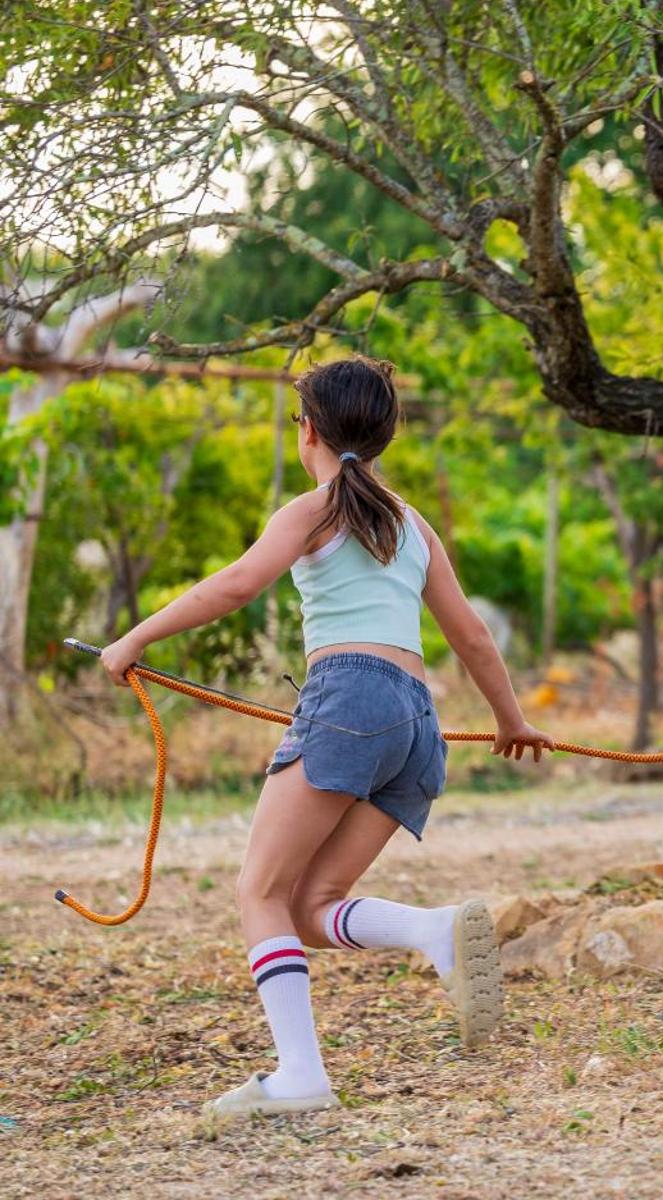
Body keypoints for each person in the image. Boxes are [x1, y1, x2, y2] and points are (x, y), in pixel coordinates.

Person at [101, 356, 554, 1118]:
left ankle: (301, 1077)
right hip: (418, 724)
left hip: (349, 699)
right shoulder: (412, 524)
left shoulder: (311, 511)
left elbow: (237, 585)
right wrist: (512, 719)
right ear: (384, 436)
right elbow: (471, 635)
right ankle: (433, 930)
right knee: (311, 906)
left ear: (307, 429)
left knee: (259, 890)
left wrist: (132, 641)